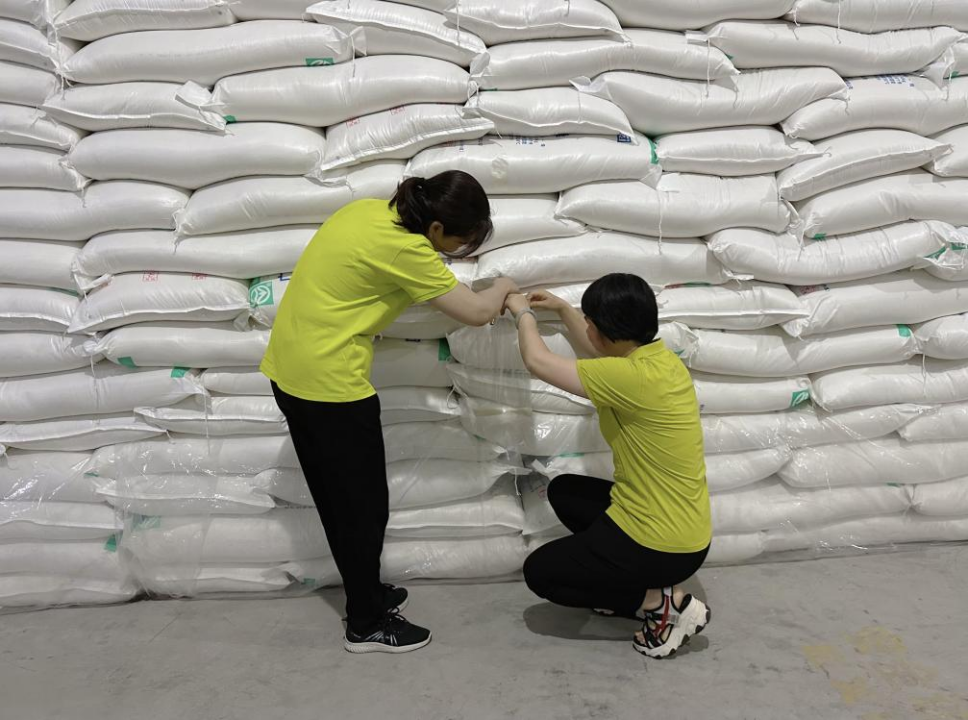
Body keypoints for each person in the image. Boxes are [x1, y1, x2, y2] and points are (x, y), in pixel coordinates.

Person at [261, 171, 517, 654]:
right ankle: (366, 623)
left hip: (290, 369)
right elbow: (478, 312)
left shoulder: (368, 212)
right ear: (436, 228)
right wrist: (504, 284)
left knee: (341, 501)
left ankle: (367, 592)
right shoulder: (407, 250)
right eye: (459, 243)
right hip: (329, 384)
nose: (455, 254)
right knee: (362, 508)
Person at [504, 274, 712, 658]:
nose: (587, 330)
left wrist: (522, 313)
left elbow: (538, 361)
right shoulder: (658, 361)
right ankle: (635, 584)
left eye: (590, 324)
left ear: (604, 331)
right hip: (684, 530)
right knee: (566, 491)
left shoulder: (630, 377)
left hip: (661, 544)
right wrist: (563, 310)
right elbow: (598, 353)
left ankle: (661, 605)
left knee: (542, 573)